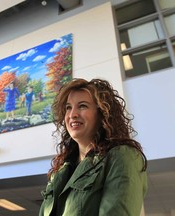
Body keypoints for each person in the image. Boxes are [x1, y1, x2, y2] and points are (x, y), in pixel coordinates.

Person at [39, 78, 147, 216]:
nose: (72, 115)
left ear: (102, 113)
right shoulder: (61, 169)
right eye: (68, 108)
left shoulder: (123, 156)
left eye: (82, 106)